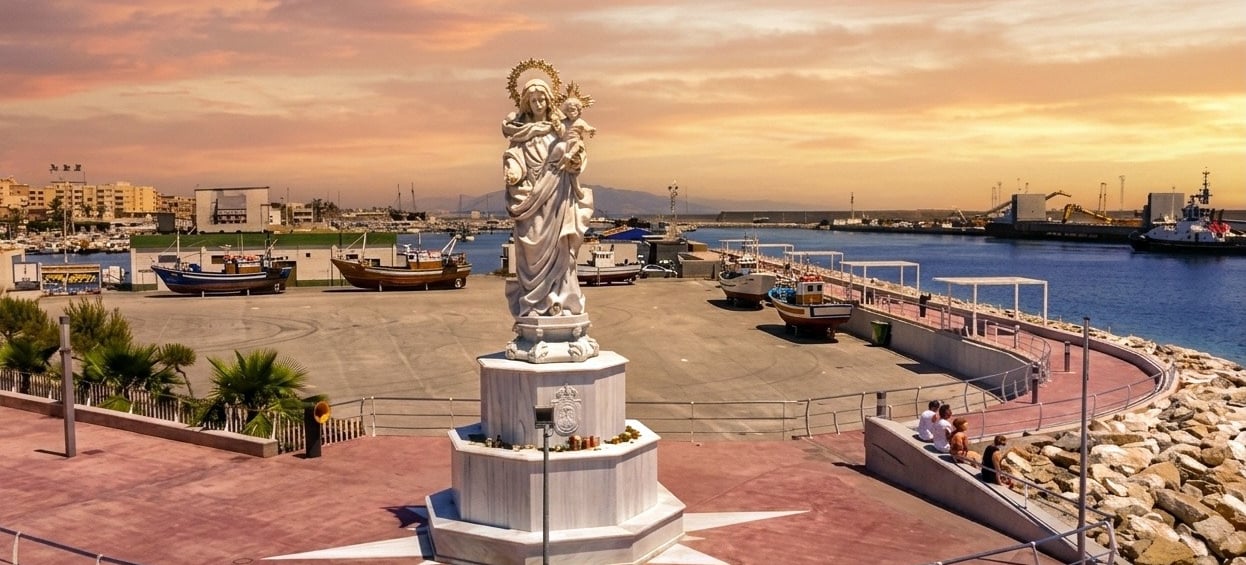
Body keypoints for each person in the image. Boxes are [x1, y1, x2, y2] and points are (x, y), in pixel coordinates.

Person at [502, 78, 595, 318]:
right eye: (533, 100)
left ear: (549, 99)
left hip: (558, 194)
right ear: (526, 103)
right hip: (531, 197)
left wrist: (576, 161)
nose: (538, 103)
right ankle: (532, 304)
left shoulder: (558, 127)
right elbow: (514, 154)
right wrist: (513, 170)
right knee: (530, 244)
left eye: (542, 98)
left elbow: (575, 148)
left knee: (561, 249)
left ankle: (561, 300)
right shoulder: (520, 132)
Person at [556, 97, 595, 172]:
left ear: (578, 110)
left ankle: (567, 159)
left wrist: (591, 130)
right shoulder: (564, 122)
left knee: (578, 144)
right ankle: (560, 164)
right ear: (565, 112)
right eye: (568, 111)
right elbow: (559, 129)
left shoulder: (580, 122)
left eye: (573, 110)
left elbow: (587, 128)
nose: (571, 113)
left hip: (576, 143)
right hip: (566, 143)